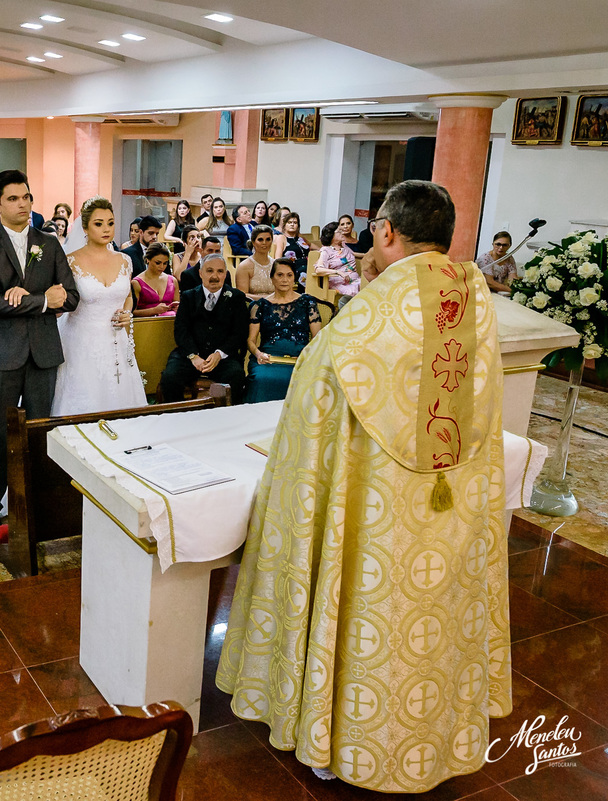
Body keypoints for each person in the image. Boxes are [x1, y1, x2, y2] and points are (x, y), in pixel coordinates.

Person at [216, 180, 509, 793]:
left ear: (386, 230)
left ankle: (339, 738)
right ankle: (437, 730)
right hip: (447, 505)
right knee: (430, 621)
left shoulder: (369, 316)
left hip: (377, 519)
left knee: (366, 616)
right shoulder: (474, 298)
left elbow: (312, 407)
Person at [0, 169, 79, 541]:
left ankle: (34, 503)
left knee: (38, 433)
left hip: (43, 353)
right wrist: (44, 299)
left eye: (27, 197)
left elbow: (73, 296)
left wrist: (31, 298)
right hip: (1, 355)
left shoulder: (48, 243)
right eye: (13, 198)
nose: (22, 204)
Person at [52, 196, 145, 416]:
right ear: (85, 227)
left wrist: (127, 312)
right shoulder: (70, 261)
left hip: (116, 340)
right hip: (80, 341)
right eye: (99, 223)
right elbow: (61, 301)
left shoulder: (124, 260)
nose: (106, 229)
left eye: (111, 223)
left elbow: (127, 297)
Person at [158, 255, 248, 402]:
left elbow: (239, 333)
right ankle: (176, 418)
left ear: (225, 274)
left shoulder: (236, 297)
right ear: (200, 273)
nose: (215, 276)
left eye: (220, 271)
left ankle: (230, 419)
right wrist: (193, 356)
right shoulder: (188, 296)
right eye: (210, 271)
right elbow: (181, 330)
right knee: (170, 378)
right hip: (190, 356)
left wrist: (219, 354)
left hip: (222, 358)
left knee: (236, 376)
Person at [245, 258, 321, 402]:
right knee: (261, 378)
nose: (284, 279)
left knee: (306, 377)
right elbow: (251, 340)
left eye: (289, 275)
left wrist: (307, 356)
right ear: (272, 278)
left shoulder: (308, 303)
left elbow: (318, 337)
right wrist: (258, 354)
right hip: (268, 359)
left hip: (301, 359)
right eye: (280, 275)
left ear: (295, 278)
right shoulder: (259, 305)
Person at [315, 221, 360, 301]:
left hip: (355, 280)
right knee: (357, 292)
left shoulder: (344, 247)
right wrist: (338, 272)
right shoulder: (326, 250)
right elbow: (318, 269)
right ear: (331, 235)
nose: (342, 232)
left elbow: (355, 255)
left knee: (370, 286)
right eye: (339, 231)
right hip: (339, 284)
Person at [132, 242, 179, 317]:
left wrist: (177, 308)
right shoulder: (136, 283)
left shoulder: (173, 281)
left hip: (171, 322)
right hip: (147, 324)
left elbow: (177, 305)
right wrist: (154, 310)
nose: (162, 267)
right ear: (148, 260)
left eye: (165, 263)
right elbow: (132, 312)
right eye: (158, 263)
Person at [235, 224, 277, 299]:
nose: (264, 243)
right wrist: (268, 298)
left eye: (268, 239)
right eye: (260, 239)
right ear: (253, 242)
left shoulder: (276, 264)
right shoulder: (244, 266)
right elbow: (242, 295)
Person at [273, 212, 312, 282]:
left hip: (308, 265)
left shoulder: (300, 238)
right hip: (291, 268)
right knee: (305, 273)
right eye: (289, 222)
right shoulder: (282, 238)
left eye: (295, 223)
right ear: (284, 225)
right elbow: (277, 259)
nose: (292, 224)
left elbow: (311, 246)